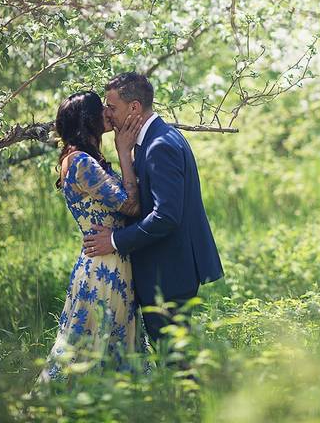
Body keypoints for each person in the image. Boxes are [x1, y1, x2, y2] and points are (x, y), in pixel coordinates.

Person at [83, 72, 224, 344]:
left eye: (112, 107)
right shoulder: (157, 138)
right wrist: (124, 154)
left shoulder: (160, 145)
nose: (108, 114)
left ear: (134, 107)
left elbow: (165, 216)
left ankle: (188, 389)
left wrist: (113, 241)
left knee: (173, 357)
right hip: (167, 266)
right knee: (171, 355)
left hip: (170, 270)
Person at [39, 91, 147, 383]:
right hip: (104, 269)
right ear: (89, 120)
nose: (109, 113)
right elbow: (131, 206)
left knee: (111, 350)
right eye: (103, 109)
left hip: (111, 262)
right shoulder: (81, 163)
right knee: (88, 352)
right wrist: (124, 152)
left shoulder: (87, 160)